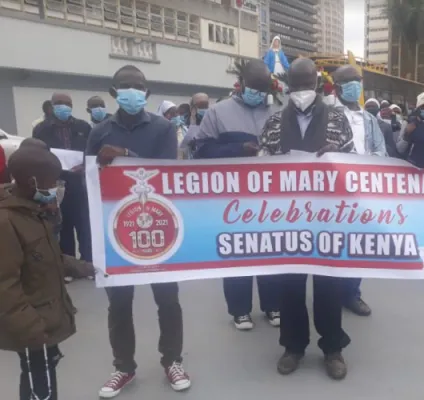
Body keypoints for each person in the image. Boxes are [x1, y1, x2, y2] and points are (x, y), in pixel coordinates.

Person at [85, 65, 191, 398]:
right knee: (119, 302)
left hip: (157, 225)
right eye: (126, 87)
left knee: (168, 299)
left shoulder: (161, 128)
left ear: (146, 93)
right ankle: (123, 367)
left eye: (139, 87)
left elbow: (167, 172)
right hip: (116, 228)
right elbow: (88, 178)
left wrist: (127, 156)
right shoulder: (100, 130)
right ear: (114, 92)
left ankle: (172, 360)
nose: (133, 92)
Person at [259, 58, 354, 380]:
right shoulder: (273, 122)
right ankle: (293, 346)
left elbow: (355, 164)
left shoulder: (338, 118)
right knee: (290, 285)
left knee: (329, 284)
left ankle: (332, 348)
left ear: (317, 83)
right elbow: (260, 169)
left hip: (328, 216)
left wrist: (337, 156)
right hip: (287, 218)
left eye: (306, 84)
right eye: (296, 85)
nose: (301, 91)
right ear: (288, 85)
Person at [190, 59, 280, 330]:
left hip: (271, 196)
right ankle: (240, 310)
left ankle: (273, 305)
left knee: (271, 249)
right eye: (254, 88)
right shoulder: (219, 112)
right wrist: (238, 149)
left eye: (263, 89)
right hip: (233, 197)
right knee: (238, 249)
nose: (258, 93)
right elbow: (201, 151)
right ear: (241, 85)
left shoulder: (278, 111)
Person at [0, 146, 89, 400]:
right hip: (30, 327)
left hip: (42, 320)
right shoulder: (6, 223)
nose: (56, 187)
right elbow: (4, 286)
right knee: (41, 389)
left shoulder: (31, 212)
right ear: (32, 181)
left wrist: (81, 266)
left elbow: (44, 257)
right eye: (53, 182)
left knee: (41, 376)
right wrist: (32, 329)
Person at [332, 64, 386, 317]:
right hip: (334, 191)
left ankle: (352, 293)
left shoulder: (369, 119)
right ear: (336, 88)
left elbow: (380, 151)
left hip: (363, 190)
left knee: (359, 243)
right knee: (334, 242)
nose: (355, 86)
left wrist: (365, 164)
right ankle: (332, 291)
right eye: (348, 82)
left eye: (358, 81)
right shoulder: (327, 115)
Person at [32, 92, 93, 269]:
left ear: (72, 106)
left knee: (84, 224)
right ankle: (69, 265)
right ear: (52, 106)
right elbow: (38, 154)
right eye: (58, 103)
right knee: (63, 224)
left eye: (67, 103)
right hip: (57, 183)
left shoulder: (83, 127)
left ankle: (88, 263)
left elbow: (91, 152)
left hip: (80, 182)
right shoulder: (42, 129)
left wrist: (85, 165)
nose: (63, 107)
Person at [397, 92, 424, 168]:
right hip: (413, 167)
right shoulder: (408, 122)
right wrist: (407, 135)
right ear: (418, 108)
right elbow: (400, 149)